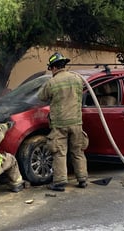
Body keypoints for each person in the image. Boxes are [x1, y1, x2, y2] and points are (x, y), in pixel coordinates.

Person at [38, 52, 89, 192]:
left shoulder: (52, 82)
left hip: (60, 124)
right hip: (77, 122)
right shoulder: (77, 79)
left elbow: (41, 96)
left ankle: (60, 182)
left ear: (53, 67)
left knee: (59, 152)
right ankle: (82, 179)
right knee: (77, 151)